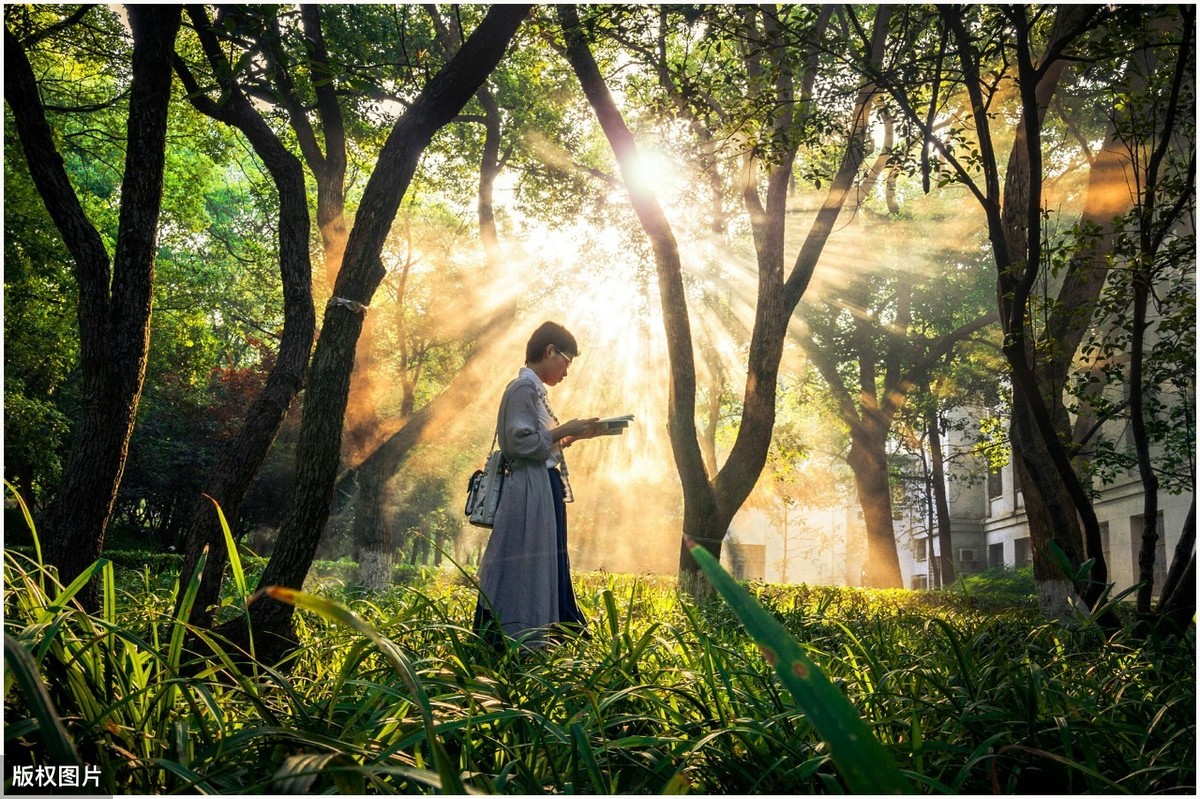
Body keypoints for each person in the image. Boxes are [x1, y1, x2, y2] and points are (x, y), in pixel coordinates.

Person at [473, 321, 603, 648]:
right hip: (528, 490)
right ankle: (515, 637)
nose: (566, 371)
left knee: (541, 561)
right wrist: (563, 430)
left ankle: (539, 634)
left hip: (541, 487)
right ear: (549, 351)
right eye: (566, 361)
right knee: (524, 561)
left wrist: (569, 435)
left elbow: (538, 443)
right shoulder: (522, 389)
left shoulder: (534, 392)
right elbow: (518, 443)